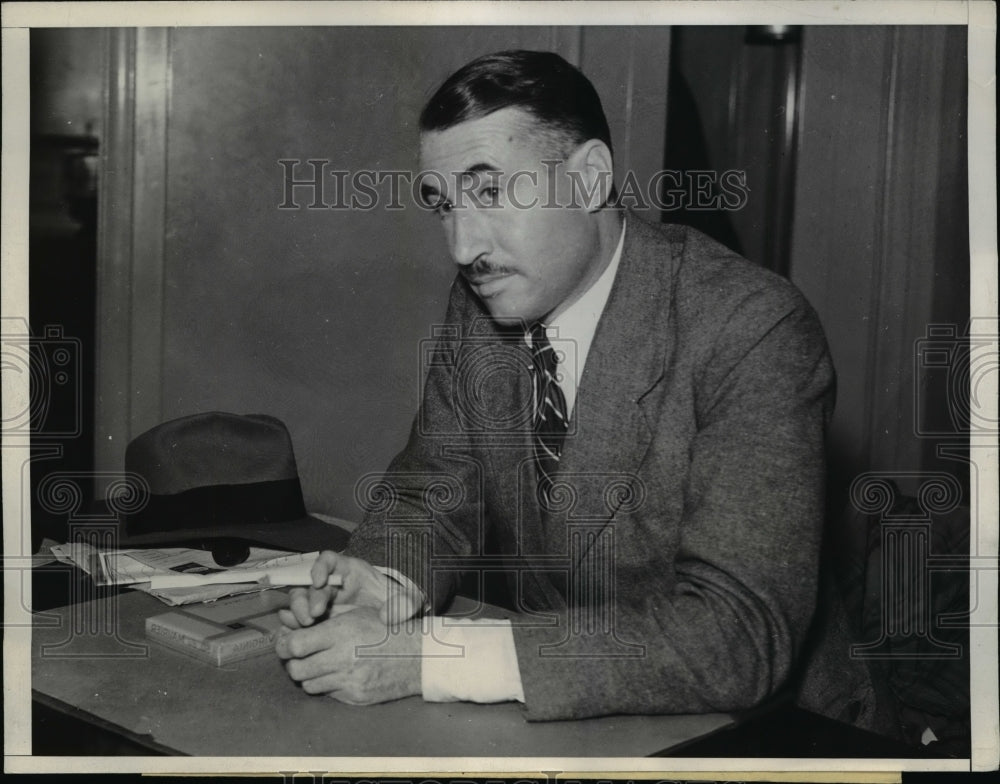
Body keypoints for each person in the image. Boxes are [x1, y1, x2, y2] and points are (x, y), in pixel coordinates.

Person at [275, 50, 879, 726]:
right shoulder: (485, 299)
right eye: (443, 205)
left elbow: (736, 635)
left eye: (491, 191)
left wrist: (431, 657)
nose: (462, 244)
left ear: (590, 178)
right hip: (582, 716)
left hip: (770, 734)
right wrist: (381, 584)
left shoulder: (752, 326)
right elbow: (434, 495)